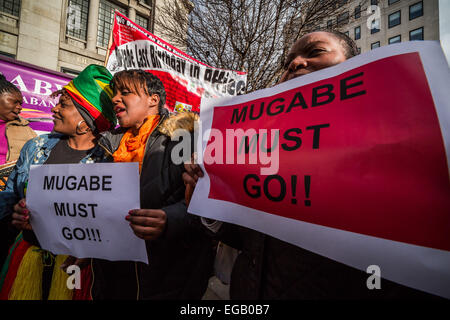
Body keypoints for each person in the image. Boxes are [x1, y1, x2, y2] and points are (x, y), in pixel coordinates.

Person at [183, 30, 437, 299]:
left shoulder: (403, 145)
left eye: (315, 52)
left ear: (353, 64)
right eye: (288, 61)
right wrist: (210, 197)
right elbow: (249, 242)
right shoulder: (262, 152)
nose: (295, 63)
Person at [90, 69, 214, 300]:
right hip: (113, 274)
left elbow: (208, 206)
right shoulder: (107, 144)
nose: (115, 99)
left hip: (166, 276)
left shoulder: (184, 136)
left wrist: (170, 219)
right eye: (114, 94)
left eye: (125, 92)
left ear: (153, 100)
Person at [0, 64, 117, 300]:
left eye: (63, 104)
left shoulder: (110, 161)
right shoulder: (35, 147)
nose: (54, 108)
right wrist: (15, 211)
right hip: (26, 257)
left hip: (75, 271)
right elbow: (9, 199)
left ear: (85, 120)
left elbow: (113, 223)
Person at [0, 74, 36, 272]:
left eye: (21, 103)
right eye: (14, 102)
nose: (20, 107)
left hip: (7, 209)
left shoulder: (26, 131)